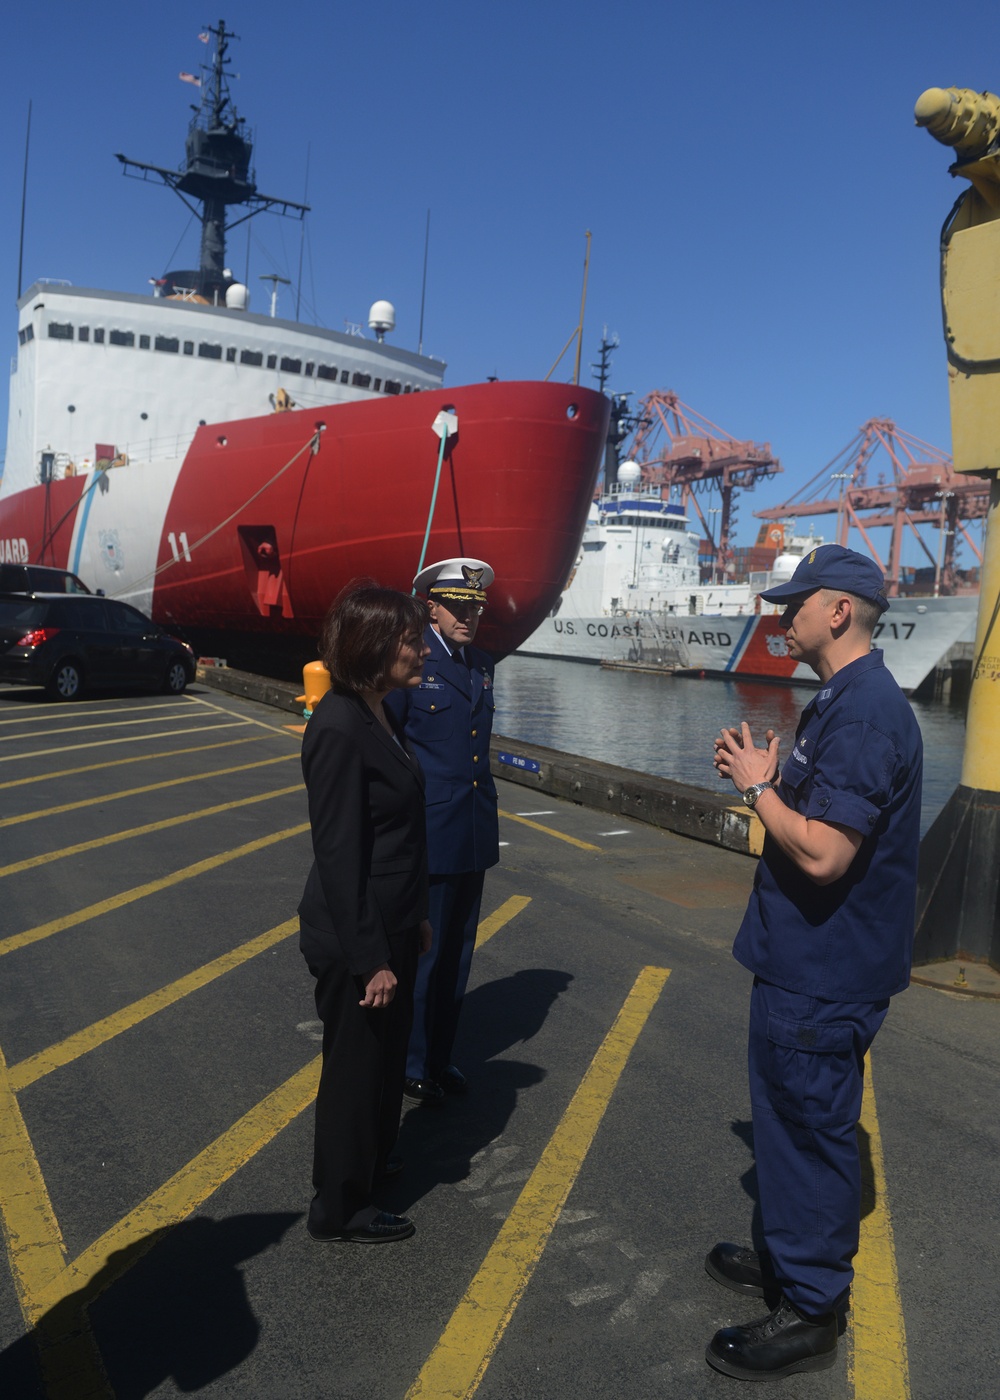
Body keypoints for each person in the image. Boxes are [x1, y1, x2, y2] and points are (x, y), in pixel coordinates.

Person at [705, 544, 923, 1380]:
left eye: (794, 603)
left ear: (838, 611)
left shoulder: (864, 711)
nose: (780, 616)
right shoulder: (844, 698)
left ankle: (810, 1309)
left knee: (807, 1132)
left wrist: (759, 786)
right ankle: (787, 1260)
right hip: (807, 962)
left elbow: (827, 855)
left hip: (823, 974)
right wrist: (766, 778)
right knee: (790, 1127)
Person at [297, 581, 433, 1243]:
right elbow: (340, 854)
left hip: (394, 922)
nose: (423, 647)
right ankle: (339, 1206)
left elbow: (398, 838)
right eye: (410, 638)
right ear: (374, 645)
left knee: (384, 1061)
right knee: (355, 1072)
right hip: (359, 935)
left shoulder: (382, 710)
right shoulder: (338, 727)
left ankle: (372, 1163)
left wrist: (417, 916)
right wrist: (370, 956)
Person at [385, 558, 500, 1104]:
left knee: (459, 953)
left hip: (473, 831)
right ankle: (410, 1061)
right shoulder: (413, 660)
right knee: (425, 957)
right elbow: (390, 744)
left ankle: (439, 1056)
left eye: (474, 608)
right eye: (457, 606)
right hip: (431, 831)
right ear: (430, 604)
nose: (468, 617)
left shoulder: (481, 664)